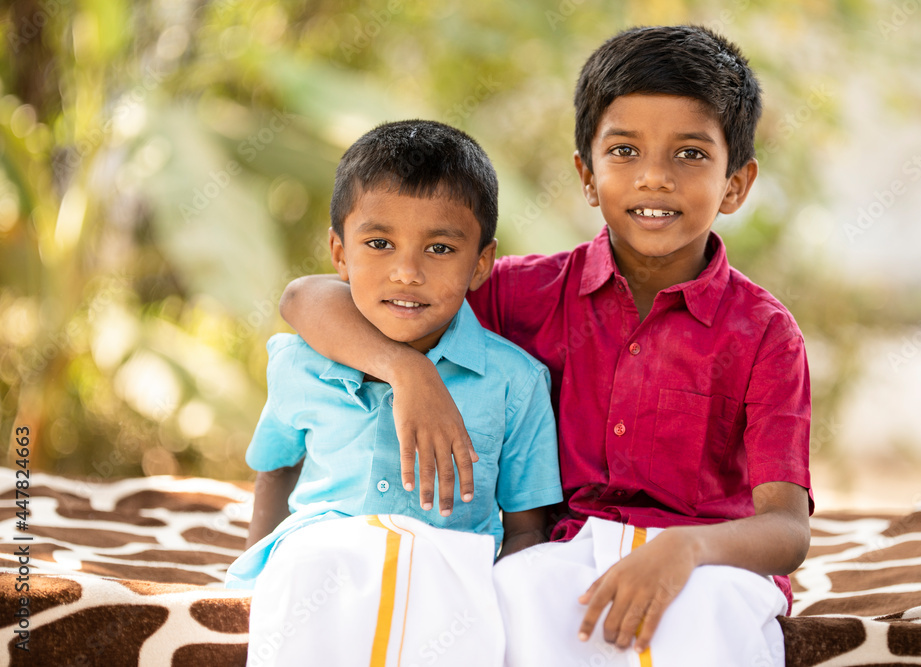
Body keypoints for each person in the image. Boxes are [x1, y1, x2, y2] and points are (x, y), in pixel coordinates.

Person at [280, 25, 813, 666]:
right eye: (624, 151)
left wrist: (689, 549)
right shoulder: (522, 293)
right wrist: (404, 370)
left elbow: (786, 529)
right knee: (514, 593)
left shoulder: (765, 334)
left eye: (690, 155)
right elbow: (306, 298)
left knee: (706, 623)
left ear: (736, 183)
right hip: (563, 556)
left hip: (709, 564)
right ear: (587, 177)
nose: (654, 178)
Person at [226, 119, 563, 667]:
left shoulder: (515, 382)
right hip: (319, 572)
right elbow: (276, 470)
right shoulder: (299, 361)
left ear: (480, 263)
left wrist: (497, 601)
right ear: (339, 252)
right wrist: (250, 578)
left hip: (449, 584)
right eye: (378, 244)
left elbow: (528, 527)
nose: (406, 272)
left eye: (439, 248)